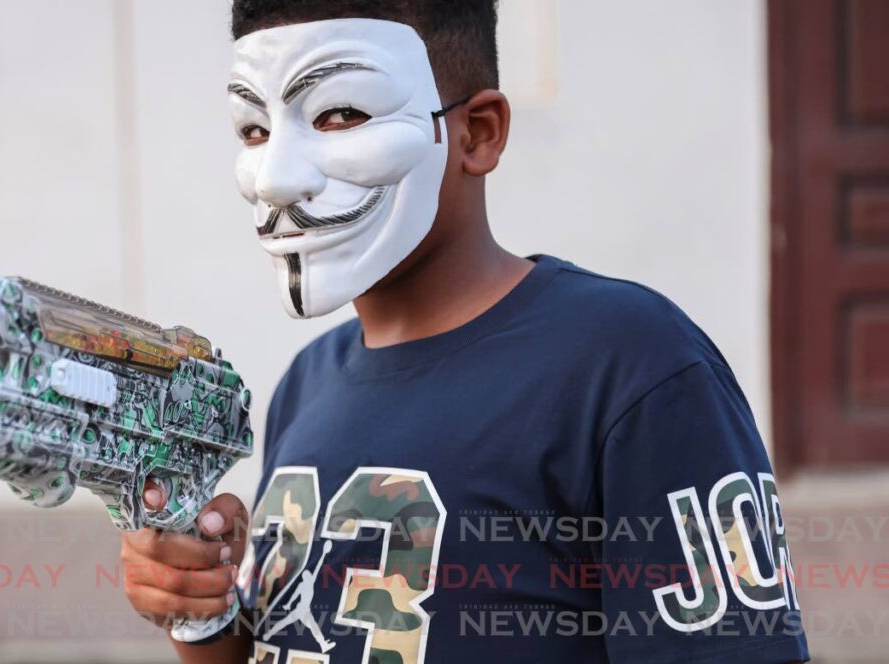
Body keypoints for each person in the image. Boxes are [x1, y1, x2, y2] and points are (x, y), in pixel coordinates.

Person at [120, 1, 810, 662]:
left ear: (477, 133)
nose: (275, 178)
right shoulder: (308, 382)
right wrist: (199, 601)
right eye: (254, 130)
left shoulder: (631, 366)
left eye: (339, 115)